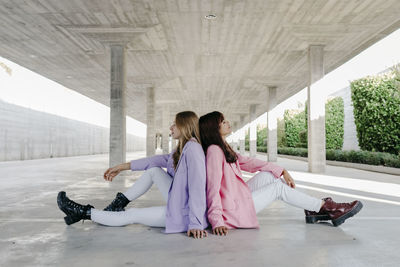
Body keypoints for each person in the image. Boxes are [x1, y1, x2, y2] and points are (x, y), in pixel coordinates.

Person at [199, 111, 363, 236]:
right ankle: (325, 207)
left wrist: (282, 171)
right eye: (223, 122)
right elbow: (212, 188)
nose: (228, 123)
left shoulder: (223, 147)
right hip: (232, 211)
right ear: (214, 128)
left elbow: (249, 163)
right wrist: (216, 221)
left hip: (238, 198)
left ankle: (314, 209)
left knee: (270, 175)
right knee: (278, 188)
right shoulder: (214, 151)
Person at [57, 111, 208, 238]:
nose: (171, 127)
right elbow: (153, 161)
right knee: (153, 170)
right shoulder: (180, 149)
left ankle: (82, 212)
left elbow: (198, 188)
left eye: (174, 123)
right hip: (179, 201)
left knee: (133, 214)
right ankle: (118, 204)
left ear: (184, 125)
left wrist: (195, 224)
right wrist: (122, 167)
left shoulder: (193, 149)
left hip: (185, 215)